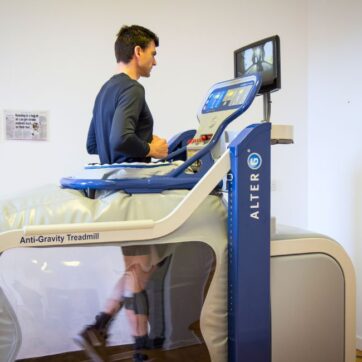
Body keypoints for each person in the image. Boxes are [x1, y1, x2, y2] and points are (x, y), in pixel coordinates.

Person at [74, 25, 169, 362]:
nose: (156, 61)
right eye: (153, 52)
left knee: (141, 267)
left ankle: (100, 325)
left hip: (115, 190)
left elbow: (92, 144)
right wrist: (152, 148)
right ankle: (140, 351)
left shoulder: (105, 90)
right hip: (131, 193)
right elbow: (118, 140)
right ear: (137, 52)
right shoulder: (133, 89)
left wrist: (137, 145)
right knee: (140, 272)